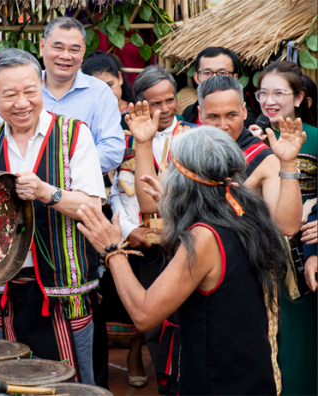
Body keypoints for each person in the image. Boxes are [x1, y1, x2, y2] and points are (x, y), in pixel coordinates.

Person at [77, 126, 293, 395]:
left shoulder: (205, 237)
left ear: (184, 180)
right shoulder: (248, 210)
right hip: (255, 374)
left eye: (169, 167)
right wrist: (174, 207)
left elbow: (144, 314)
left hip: (218, 382)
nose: (164, 173)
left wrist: (112, 250)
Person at [0, 48, 106, 385]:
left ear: (41, 87)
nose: (22, 102)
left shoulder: (74, 135)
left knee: (74, 382)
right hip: (6, 289)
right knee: (11, 377)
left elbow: (92, 208)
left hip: (65, 288)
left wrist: (46, 192)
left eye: (30, 91)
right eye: (9, 94)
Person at [123, 65, 197, 394]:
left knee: (190, 318)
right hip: (148, 244)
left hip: (190, 243)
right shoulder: (129, 139)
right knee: (153, 319)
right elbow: (117, 192)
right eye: (156, 103)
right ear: (139, 104)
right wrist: (127, 229)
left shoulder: (196, 135)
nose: (165, 109)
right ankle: (167, 384)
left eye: (170, 100)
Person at [82, 51, 147, 388]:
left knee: (136, 283)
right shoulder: (87, 119)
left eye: (109, 84)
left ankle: (135, 353)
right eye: (94, 87)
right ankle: (98, 362)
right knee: (103, 288)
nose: (104, 92)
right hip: (98, 210)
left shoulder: (137, 117)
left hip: (136, 214)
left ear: (121, 79)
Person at [0, 17, 125, 174]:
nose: (66, 56)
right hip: (18, 185)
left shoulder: (100, 93)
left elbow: (112, 149)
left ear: (83, 52)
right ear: (42, 46)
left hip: (79, 191)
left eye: (74, 50)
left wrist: (61, 170)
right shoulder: (22, 88)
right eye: (58, 48)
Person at [254, 60, 317, 396]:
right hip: (259, 256)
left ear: (300, 97)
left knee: (299, 341)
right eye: (263, 93)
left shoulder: (316, 140)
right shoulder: (252, 138)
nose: (270, 100)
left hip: (304, 254)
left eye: (279, 92)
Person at [194, 76, 303, 237]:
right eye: (213, 117)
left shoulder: (264, 159)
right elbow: (151, 207)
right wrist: (143, 143)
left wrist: (288, 163)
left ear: (244, 111)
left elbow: (287, 227)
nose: (223, 126)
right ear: (200, 114)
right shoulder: (188, 153)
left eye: (232, 115)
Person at [181, 46, 259, 127]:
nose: (214, 78)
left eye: (222, 73)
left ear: (234, 78)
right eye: (207, 73)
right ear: (196, 78)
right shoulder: (189, 112)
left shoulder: (248, 118)